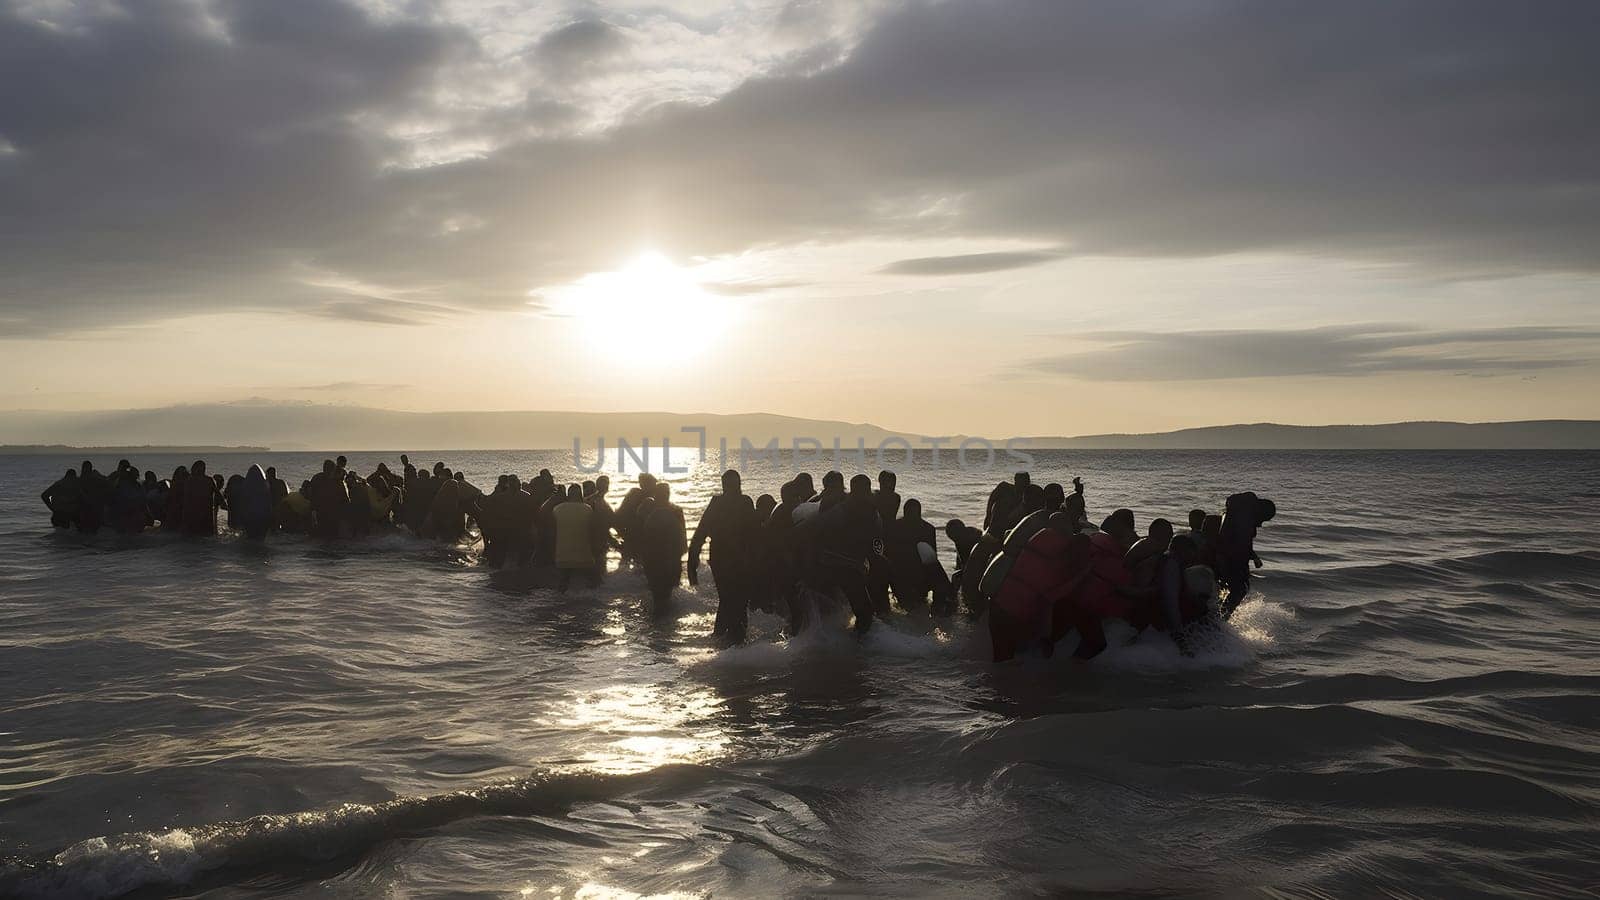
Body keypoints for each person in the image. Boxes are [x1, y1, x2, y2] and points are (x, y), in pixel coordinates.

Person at [804, 473, 882, 635]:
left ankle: (851, 645)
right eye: (860, 491)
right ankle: (857, 647)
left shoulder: (869, 509)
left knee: (862, 610)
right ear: (853, 491)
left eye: (866, 490)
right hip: (838, 565)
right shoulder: (840, 509)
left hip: (852, 565)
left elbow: (875, 538)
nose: (864, 495)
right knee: (865, 612)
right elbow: (815, 531)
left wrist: (877, 557)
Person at [689, 469, 755, 643]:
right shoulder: (743, 502)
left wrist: (692, 565)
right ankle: (736, 641)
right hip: (734, 560)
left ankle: (721, 638)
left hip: (724, 559)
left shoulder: (720, 503)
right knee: (736, 600)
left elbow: (699, 534)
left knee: (728, 599)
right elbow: (756, 534)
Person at [1218, 492, 1274, 619]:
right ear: (1261, 512)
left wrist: (1254, 557)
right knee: (1240, 589)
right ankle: (1222, 618)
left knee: (1237, 586)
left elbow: (1244, 543)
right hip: (1227, 557)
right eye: (1264, 519)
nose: (1261, 524)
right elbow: (1241, 545)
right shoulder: (1246, 521)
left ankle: (1220, 612)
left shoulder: (1239, 514)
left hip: (1224, 553)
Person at [637, 482, 687, 613]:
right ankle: (667, 625)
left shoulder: (647, 509)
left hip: (653, 558)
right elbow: (682, 537)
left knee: (656, 593)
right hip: (671, 558)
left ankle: (658, 623)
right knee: (668, 593)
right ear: (668, 494)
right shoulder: (676, 510)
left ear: (656, 495)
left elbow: (639, 531)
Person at [553, 484, 598, 591]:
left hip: (562, 557)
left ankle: (560, 600)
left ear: (568, 495)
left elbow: (553, 532)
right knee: (593, 582)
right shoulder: (588, 509)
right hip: (584, 557)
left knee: (564, 580)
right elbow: (592, 532)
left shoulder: (557, 509)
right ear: (580, 495)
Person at [234, 465, 274, 540]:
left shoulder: (246, 489)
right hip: (262, 520)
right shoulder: (265, 490)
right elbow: (269, 507)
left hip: (250, 520)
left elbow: (242, 506)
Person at [181, 460, 218, 535]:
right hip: (206, 516)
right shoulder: (209, 480)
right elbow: (219, 497)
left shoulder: (189, 481)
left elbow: (185, 500)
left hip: (191, 516)